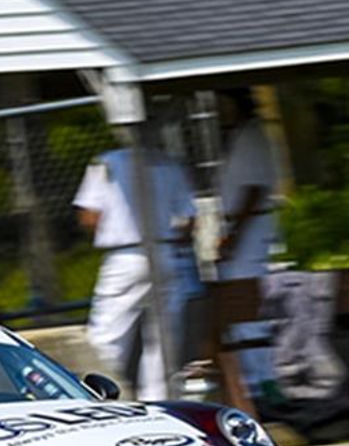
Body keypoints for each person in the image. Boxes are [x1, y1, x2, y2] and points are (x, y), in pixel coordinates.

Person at [74, 140, 201, 400]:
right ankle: (159, 402)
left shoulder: (107, 162)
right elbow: (189, 217)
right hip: (165, 251)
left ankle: (97, 397)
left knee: (106, 336)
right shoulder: (168, 162)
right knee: (163, 341)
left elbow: (90, 216)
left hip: (124, 254)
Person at [216, 87, 280, 398]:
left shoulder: (252, 135)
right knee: (237, 307)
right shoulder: (238, 136)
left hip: (251, 229)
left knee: (246, 304)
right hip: (239, 225)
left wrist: (234, 236)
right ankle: (253, 379)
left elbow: (253, 190)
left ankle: (264, 382)